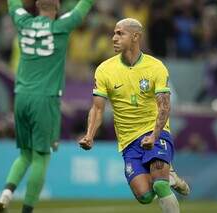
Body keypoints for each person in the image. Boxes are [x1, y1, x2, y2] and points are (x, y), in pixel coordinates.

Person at [78, 18, 189, 213]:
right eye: (113, 33)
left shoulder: (156, 67)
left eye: (120, 33)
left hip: (155, 132)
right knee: (145, 196)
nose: (113, 38)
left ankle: (164, 177)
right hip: (128, 141)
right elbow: (97, 108)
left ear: (135, 36)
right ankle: (168, 175)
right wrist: (89, 135)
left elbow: (164, 107)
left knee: (160, 186)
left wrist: (154, 135)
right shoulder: (105, 69)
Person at [0, 0, 94, 212]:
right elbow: (84, 6)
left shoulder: (23, 21)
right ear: (57, 7)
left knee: (25, 154)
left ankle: (6, 193)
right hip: (44, 98)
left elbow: (13, 4)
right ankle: (27, 210)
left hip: (21, 96)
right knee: (41, 156)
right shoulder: (61, 26)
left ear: (36, 6)